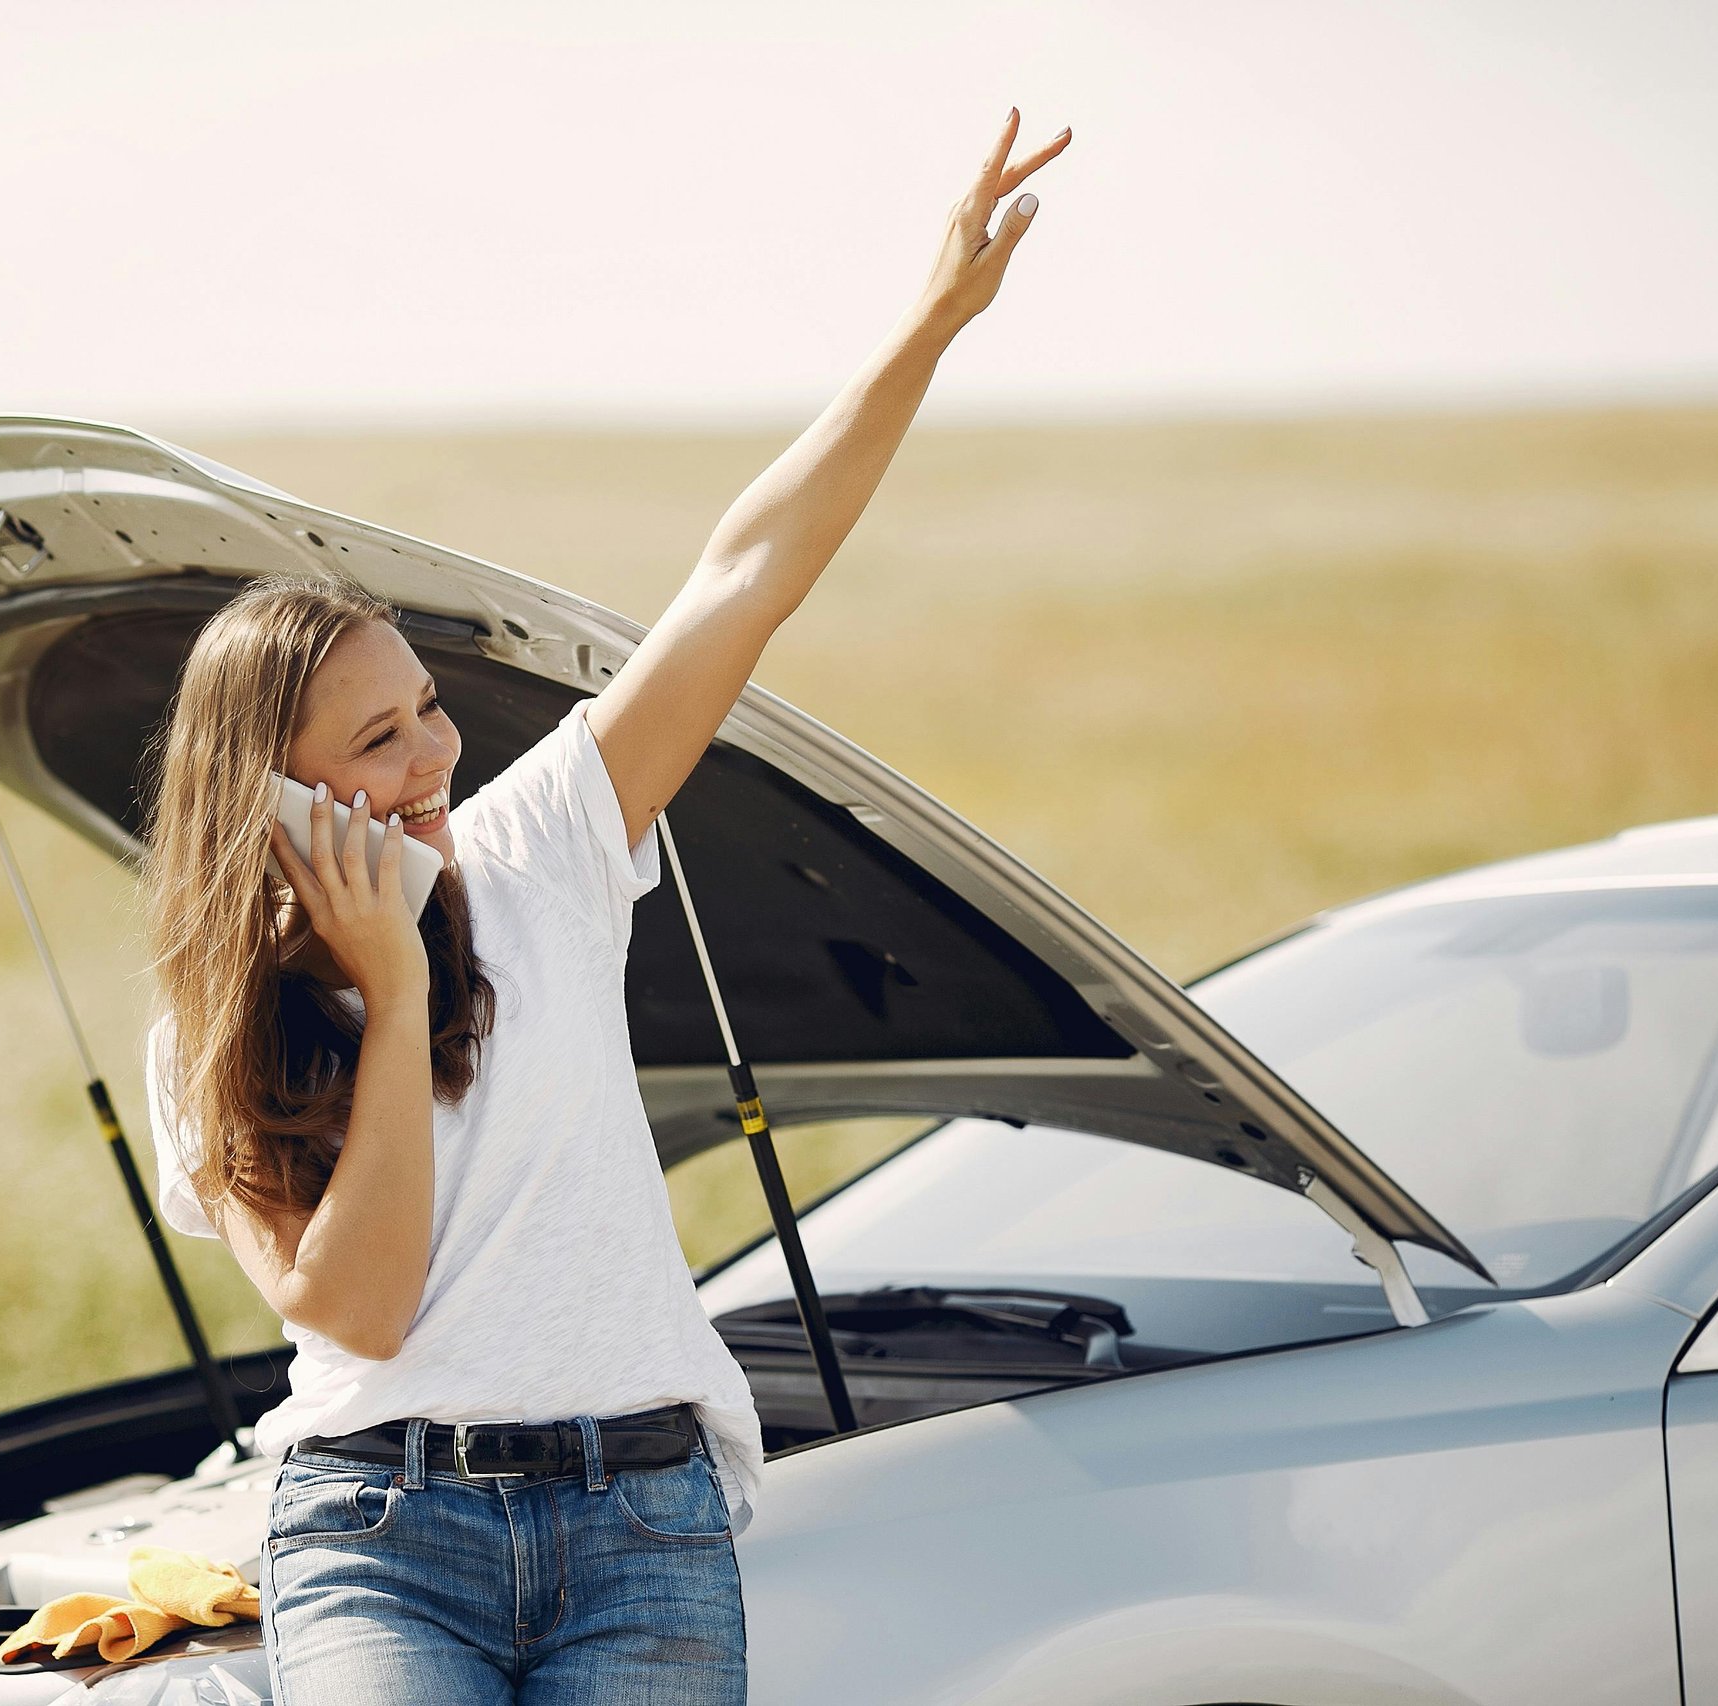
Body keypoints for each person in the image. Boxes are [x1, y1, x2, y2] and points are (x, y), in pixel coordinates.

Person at [139, 107, 1070, 1706]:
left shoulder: (541, 849)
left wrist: (928, 322)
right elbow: (355, 1305)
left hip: (643, 1523)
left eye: (430, 705)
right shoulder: (209, 1035)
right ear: (271, 795)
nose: (438, 752)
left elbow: (744, 572)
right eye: (378, 739)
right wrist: (396, 987)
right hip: (379, 1529)